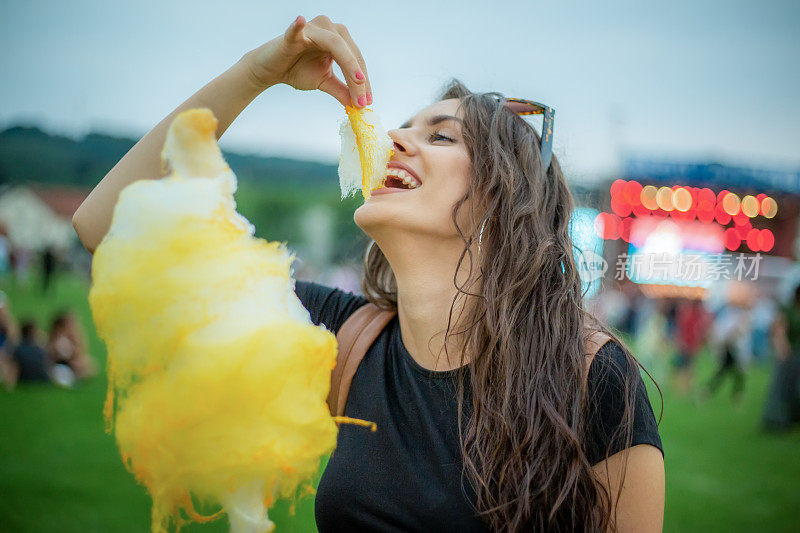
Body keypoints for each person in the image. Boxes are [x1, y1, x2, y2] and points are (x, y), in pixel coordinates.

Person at [72, 15, 664, 531]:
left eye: (440, 135)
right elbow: (109, 228)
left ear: (504, 195)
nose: (392, 139)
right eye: (404, 126)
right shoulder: (338, 336)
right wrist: (255, 74)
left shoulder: (593, 380)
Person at [762, 284, 800, 431]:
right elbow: (779, 330)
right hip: (790, 356)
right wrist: (782, 349)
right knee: (783, 389)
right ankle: (778, 421)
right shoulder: (788, 310)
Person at [46, 310, 98, 383]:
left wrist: (71, 356)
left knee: (87, 364)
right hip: (57, 362)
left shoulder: (74, 335)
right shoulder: (55, 335)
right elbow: (49, 351)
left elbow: (80, 351)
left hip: (71, 361)